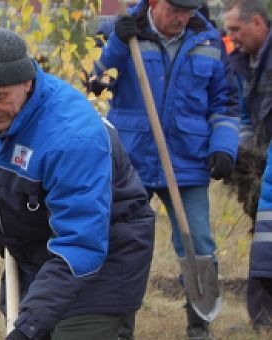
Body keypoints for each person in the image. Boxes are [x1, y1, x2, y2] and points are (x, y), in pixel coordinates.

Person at [0, 27, 155, 340]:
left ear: (27, 81)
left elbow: (81, 241)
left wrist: (30, 325)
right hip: (35, 252)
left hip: (100, 258)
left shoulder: (72, 137)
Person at [90, 0, 240, 338]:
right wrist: (116, 44)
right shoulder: (121, 32)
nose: (182, 18)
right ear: (155, 3)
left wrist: (223, 146)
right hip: (131, 161)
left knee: (199, 242)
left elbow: (226, 102)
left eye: (188, 11)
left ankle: (199, 325)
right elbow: (93, 82)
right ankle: (118, 327)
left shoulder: (208, 40)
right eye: (175, 10)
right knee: (123, 242)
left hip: (188, 160)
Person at [222, 0, 272, 331]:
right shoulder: (241, 62)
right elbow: (242, 113)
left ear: (257, 22)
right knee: (264, 237)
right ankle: (262, 320)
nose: (232, 37)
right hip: (262, 162)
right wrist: (243, 150)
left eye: (236, 30)